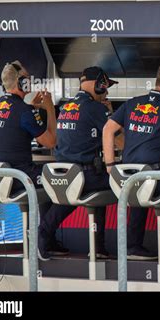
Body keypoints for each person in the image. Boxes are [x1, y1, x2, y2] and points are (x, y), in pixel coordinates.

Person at [103, 61, 160, 261]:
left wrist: (110, 166)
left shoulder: (132, 103)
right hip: (157, 178)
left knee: (141, 187)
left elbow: (107, 129)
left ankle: (133, 246)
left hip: (128, 177)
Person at [38, 66, 121, 260]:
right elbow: (121, 141)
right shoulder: (96, 108)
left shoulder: (67, 105)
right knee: (123, 184)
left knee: (76, 192)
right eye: (106, 87)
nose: (107, 92)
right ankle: (127, 245)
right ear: (98, 85)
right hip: (84, 176)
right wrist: (113, 117)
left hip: (64, 174)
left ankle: (97, 246)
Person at [0, 60, 64, 255]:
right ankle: (42, 236)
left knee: (45, 177)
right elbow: (51, 142)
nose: (31, 83)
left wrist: (36, 109)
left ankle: (45, 241)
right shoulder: (24, 111)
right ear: (21, 83)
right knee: (61, 181)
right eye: (27, 79)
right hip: (18, 178)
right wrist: (50, 108)